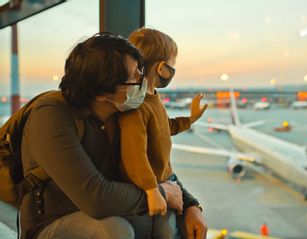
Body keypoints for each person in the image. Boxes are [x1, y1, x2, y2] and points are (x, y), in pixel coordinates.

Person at [19, 32, 207, 239]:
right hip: (54, 221)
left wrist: (190, 206)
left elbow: (156, 168)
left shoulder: (121, 112)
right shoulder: (51, 116)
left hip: (110, 208)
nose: (142, 79)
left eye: (141, 70)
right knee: (115, 231)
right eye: (133, 77)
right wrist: (161, 194)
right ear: (102, 92)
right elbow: (95, 197)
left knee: (165, 222)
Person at [116, 27, 207, 239]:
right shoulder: (136, 106)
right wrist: (152, 190)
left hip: (165, 178)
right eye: (172, 65)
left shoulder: (153, 97)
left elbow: (165, 127)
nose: (173, 71)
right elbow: (133, 155)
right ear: (160, 68)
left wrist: (190, 119)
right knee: (165, 232)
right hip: (151, 186)